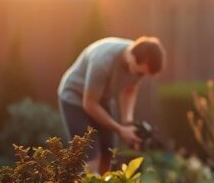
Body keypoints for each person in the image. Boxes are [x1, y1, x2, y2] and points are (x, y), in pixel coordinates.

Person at [58, 36, 165, 173]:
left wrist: (127, 123)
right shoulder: (102, 61)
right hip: (74, 97)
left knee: (109, 152)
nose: (140, 76)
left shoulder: (140, 56)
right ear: (132, 57)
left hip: (102, 97)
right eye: (139, 72)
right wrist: (120, 129)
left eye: (143, 75)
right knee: (90, 154)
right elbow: (89, 103)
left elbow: (129, 90)